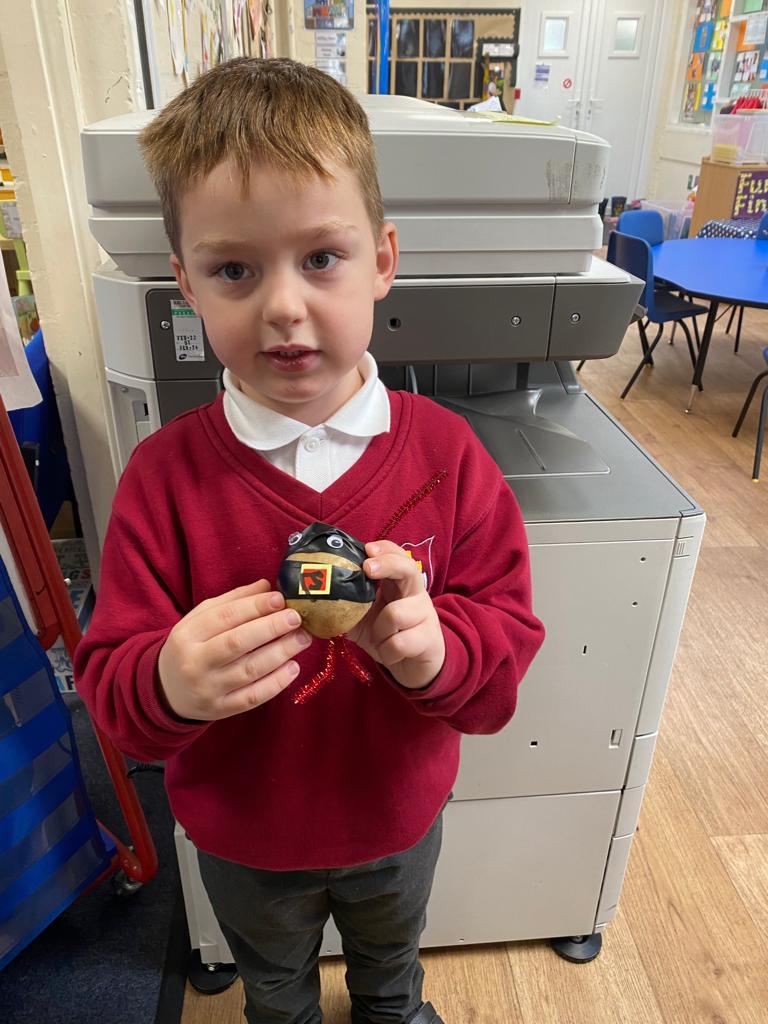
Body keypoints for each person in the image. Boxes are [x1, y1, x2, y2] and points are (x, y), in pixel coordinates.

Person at [75, 57, 545, 1024]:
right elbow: (113, 694)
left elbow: (503, 658)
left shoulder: (450, 456)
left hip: (397, 817)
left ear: (382, 260)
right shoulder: (162, 480)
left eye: (321, 258)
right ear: (185, 285)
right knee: (275, 994)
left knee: (392, 974)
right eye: (234, 270)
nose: (284, 307)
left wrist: (440, 650)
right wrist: (168, 680)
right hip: (244, 839)